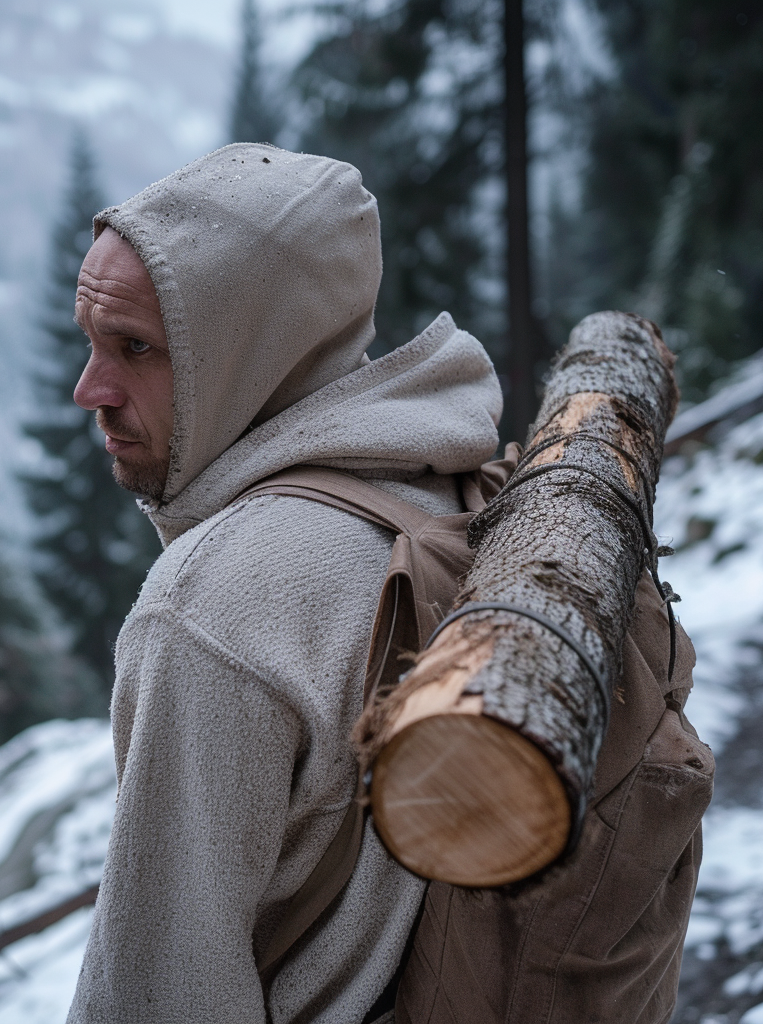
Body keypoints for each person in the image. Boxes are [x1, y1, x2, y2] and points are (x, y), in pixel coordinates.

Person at [66, 142, 503, 1023]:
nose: (90, 390)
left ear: (253, 350)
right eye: (91, 344)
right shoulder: (446, 475)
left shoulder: (207, 614)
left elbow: (158, 999)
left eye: (136, 348)